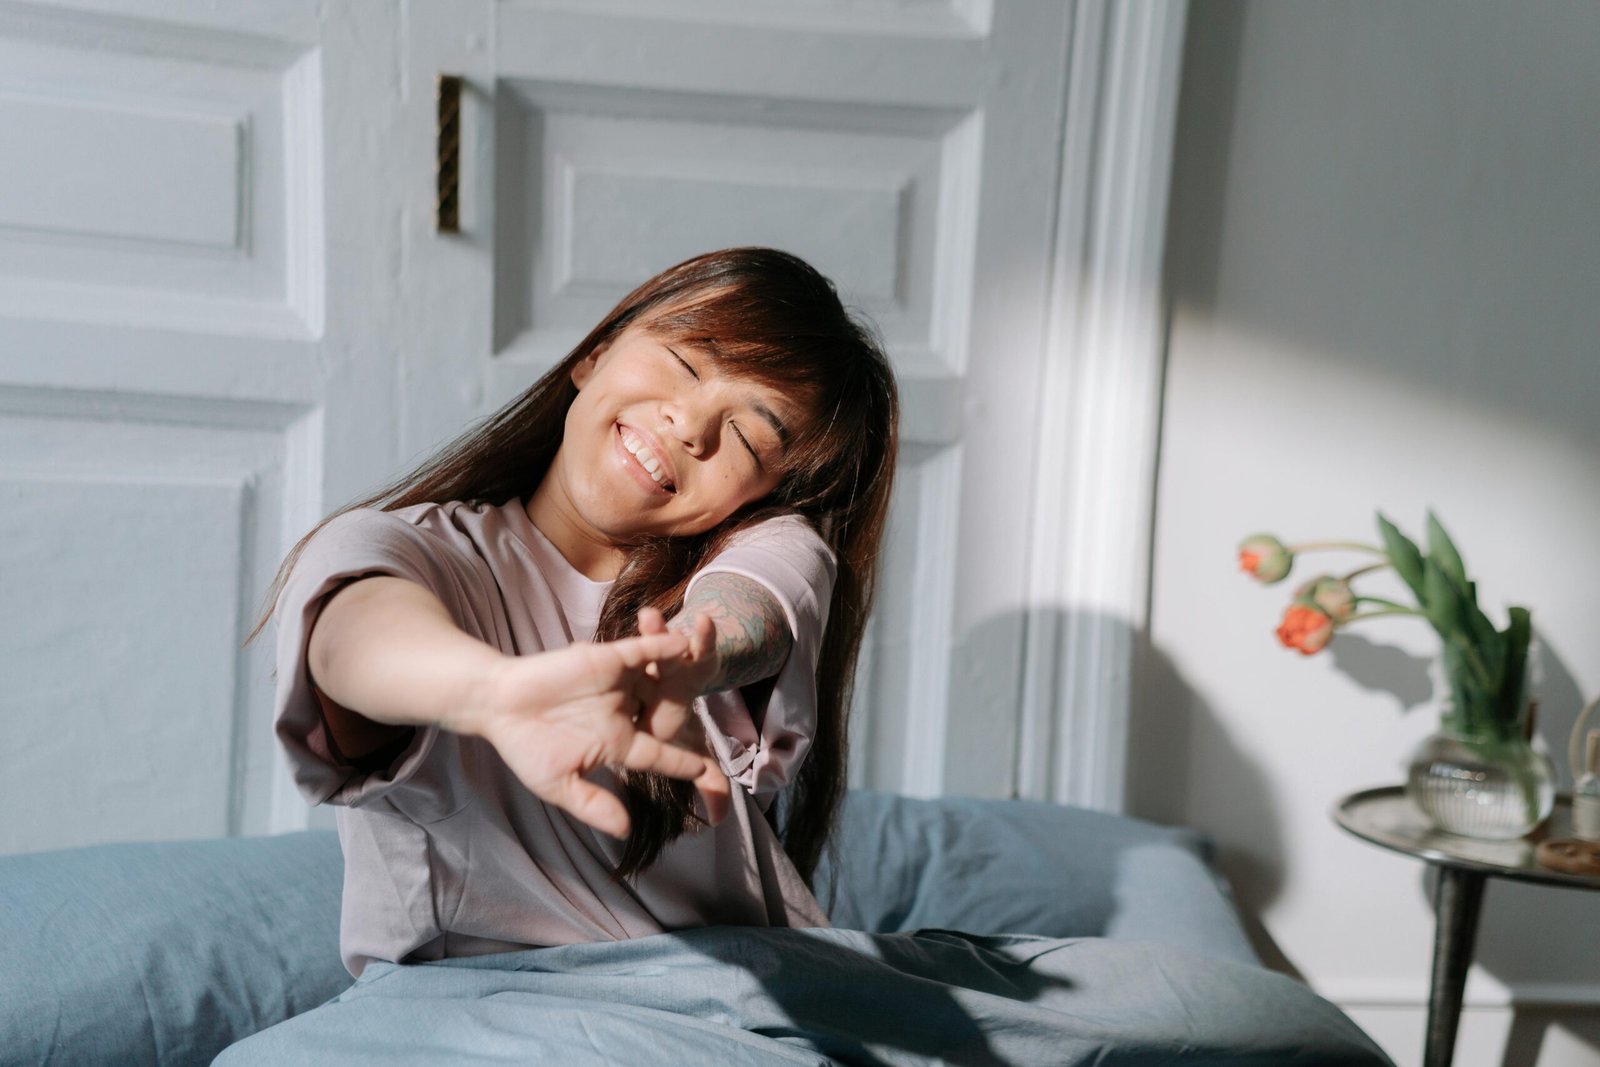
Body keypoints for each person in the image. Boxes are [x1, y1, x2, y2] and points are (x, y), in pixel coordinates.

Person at [256, 247, 899, 978]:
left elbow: (760, 600)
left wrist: (688, 655)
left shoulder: (770, 549)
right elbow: (351, 631)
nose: (691, 425)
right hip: (496, 1015)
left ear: (759, 496)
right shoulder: (414, 554)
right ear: (595, 352)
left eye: (749, 436)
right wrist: (492, 693)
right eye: (687, 363)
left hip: (757, 1005)